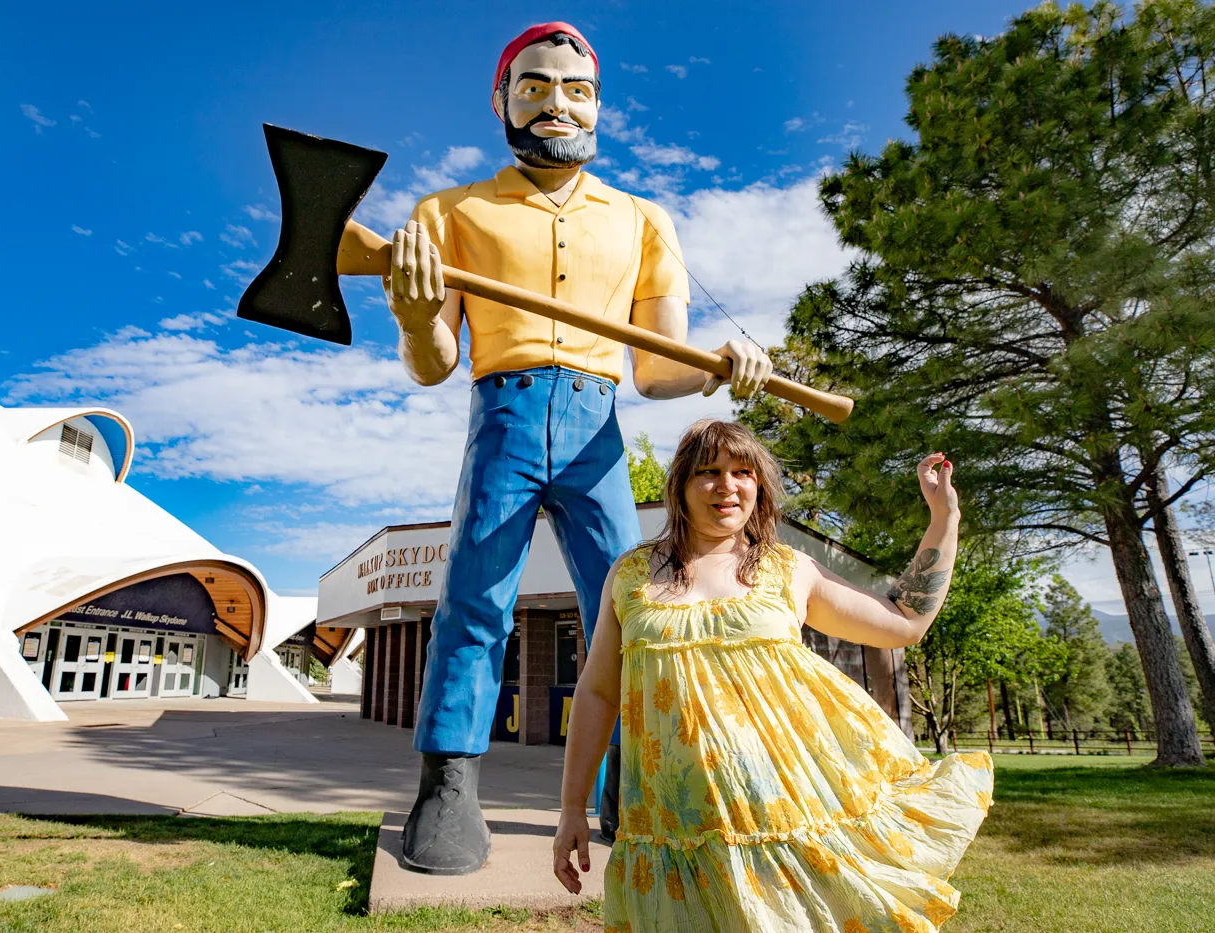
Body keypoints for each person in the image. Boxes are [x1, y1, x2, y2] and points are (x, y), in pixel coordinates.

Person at [388, 23, 773, 875]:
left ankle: (629, 782)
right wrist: (418, 316)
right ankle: (448, 783)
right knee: (475, 598)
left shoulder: (642, 220)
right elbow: (434, 363)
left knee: (631, 606)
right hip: (506, 417)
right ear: (500, 100)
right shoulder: (447, 214)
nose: (556, 103)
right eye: (534, 86)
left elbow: (657, 366)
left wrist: (719, 368)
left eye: (576, 88)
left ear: (598, 104)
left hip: (599, 428)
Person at [553, 419, 993, 931]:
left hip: (786, 814)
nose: (727, 485)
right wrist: (570, 808)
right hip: (674, 829)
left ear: (758, 486)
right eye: (709, 471)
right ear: (681, 485)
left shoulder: (788, 568)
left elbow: (905, 621)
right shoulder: (631, 574)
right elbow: (599, 691)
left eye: (743, 472)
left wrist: (944, 518)